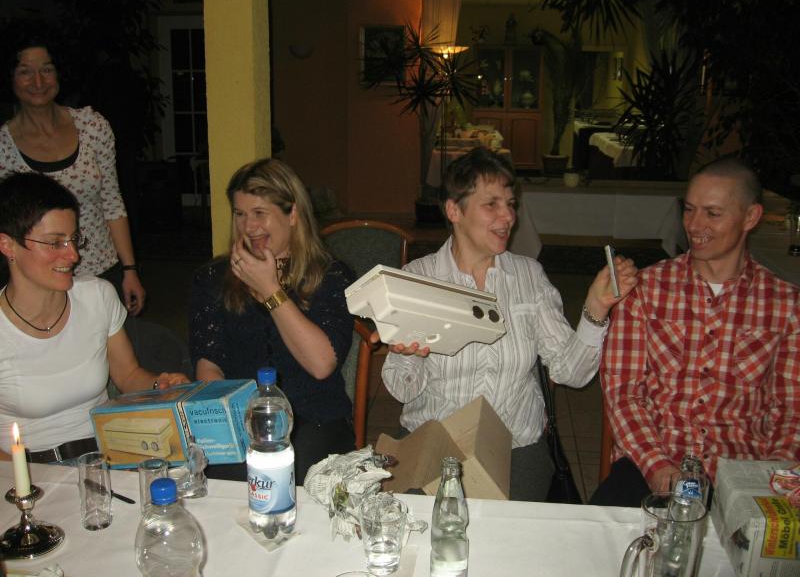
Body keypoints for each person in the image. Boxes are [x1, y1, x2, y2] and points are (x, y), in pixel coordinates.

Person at [379, 147, 638, 501]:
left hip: (516, 444)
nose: (508, 216)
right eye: (492, 204)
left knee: (502, 525)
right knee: (425, 524)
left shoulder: (528, 276)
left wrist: (595, 308)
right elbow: (402, 390)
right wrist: (410, 354)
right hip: (433, 439)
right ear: (454, 210)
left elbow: (572, 373)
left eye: (511, 204)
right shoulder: (418, 279)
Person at [591, 157, 800, 507]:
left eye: (712, 213)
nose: (694, 225)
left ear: (751, 217)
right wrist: (658, 467)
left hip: (742, 470)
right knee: (595, 534)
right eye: (689, 210)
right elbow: (624, 394)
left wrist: (770, 482)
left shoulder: (786, 305)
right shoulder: (645, 290)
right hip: (652, 461)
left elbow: (791, 411)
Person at [0, 172, 188, 463]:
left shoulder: (97, 296)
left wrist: (160, 386)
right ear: (8, 245)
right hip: (27, 470)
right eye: (55, 243)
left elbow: (127, 375)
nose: (73, 255)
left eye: (74, 239)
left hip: (104, 458)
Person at [188, 158, 355, 484]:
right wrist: (227, 428)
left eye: (259, 213)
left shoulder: (330, 276)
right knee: (225, 476)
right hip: (243, 425)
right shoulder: (212, 279)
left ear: (292, 215)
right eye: (240, 214)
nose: (249, 226)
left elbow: (321, 364)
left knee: (295, 471)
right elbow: (209, 366)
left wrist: (270, 291)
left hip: (317, 419)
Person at [0, 34, 146, 314]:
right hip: (40, 281)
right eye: (25, 72)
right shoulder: (3, 146)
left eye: (46, 69)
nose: (38, 81)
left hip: (102, 271)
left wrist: (129, 269)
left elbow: (112, 202)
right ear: (10, 79)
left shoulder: (93, 126)